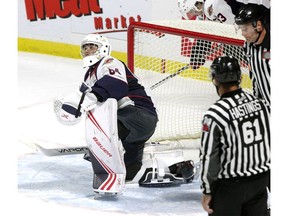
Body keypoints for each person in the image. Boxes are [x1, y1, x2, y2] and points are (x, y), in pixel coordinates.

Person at [199, 55, 270, 216]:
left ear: (215, 80)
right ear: (240, 77)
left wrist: (207, 190)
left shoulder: (215, 114)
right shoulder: (261, 105)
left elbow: (209, 156)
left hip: (230, 188)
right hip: (259, 182)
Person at [235, 3, 270, 106]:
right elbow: (255, 77)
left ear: (258, 25)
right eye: (241, 29)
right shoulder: (248, 46)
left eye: (245, 29)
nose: (243, 33)